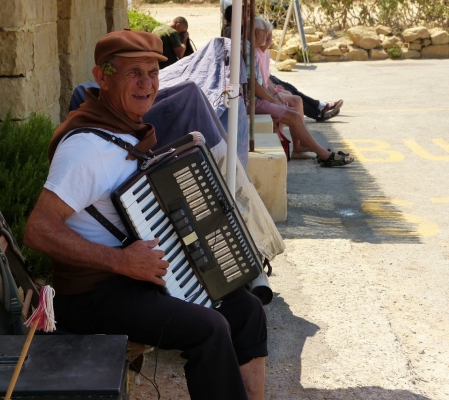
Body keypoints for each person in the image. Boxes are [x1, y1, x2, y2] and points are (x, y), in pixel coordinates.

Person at [24, 30, 268, 400]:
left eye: (153, 72)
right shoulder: (85, 148)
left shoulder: (125, 130)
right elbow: (38, 231)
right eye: (133, 73)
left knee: (247, 310)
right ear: (102, 77)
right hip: (93, 295)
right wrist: (121, 261)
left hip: (133, 279)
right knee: (210, 328)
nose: (147, 84)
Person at [252, 17, 353, 166]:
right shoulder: (250, 53)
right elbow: (255, 85)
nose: (268, 36)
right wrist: (274, 99)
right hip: (252, 101)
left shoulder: (256, 51)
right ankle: (323, 154)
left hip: (255, 99)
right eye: (265, 33)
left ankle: (305, 148)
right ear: (257, 33)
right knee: (293, 113)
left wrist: (275, 97)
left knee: (294, 101)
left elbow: (264, 81)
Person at [223, 6, 342, 122]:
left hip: (257, 75)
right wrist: (274, 97)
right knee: (290, 94)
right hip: (252, 85)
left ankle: (318, 106)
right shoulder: (233, 31)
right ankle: (318, 109)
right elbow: (253, 82)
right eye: (247, 12)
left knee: (288, 87)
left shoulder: (242, 32)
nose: (251, 14)